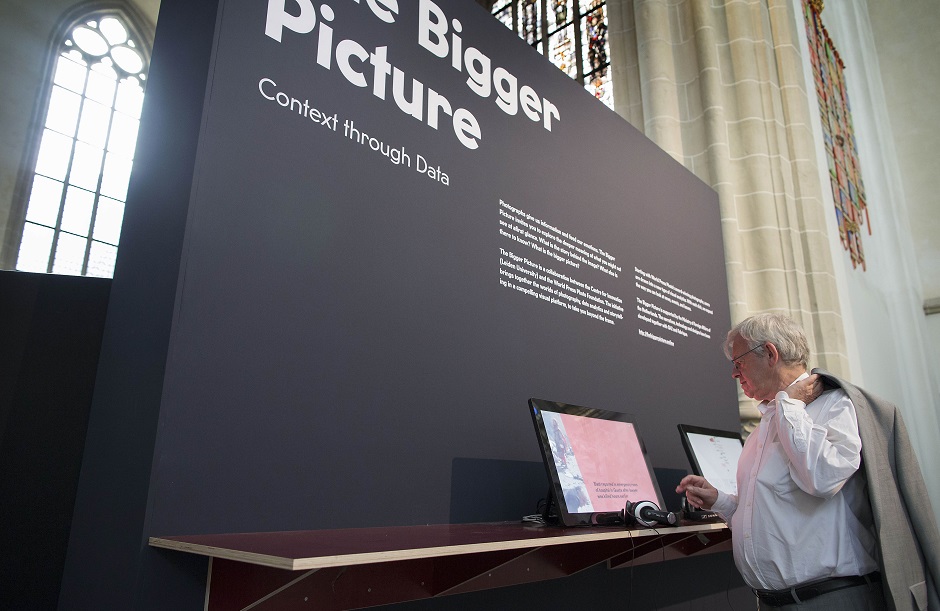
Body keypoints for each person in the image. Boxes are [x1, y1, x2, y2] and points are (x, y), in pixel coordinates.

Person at [676, 313, 940, 610]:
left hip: (831, 600)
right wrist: (719, 501)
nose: (734, 374)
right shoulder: (761, 430)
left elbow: (823, 478)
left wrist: (790, 405)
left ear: (771, 353)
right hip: (773, 602)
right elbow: (772, 515)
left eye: (739, 363)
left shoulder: (836, 406)